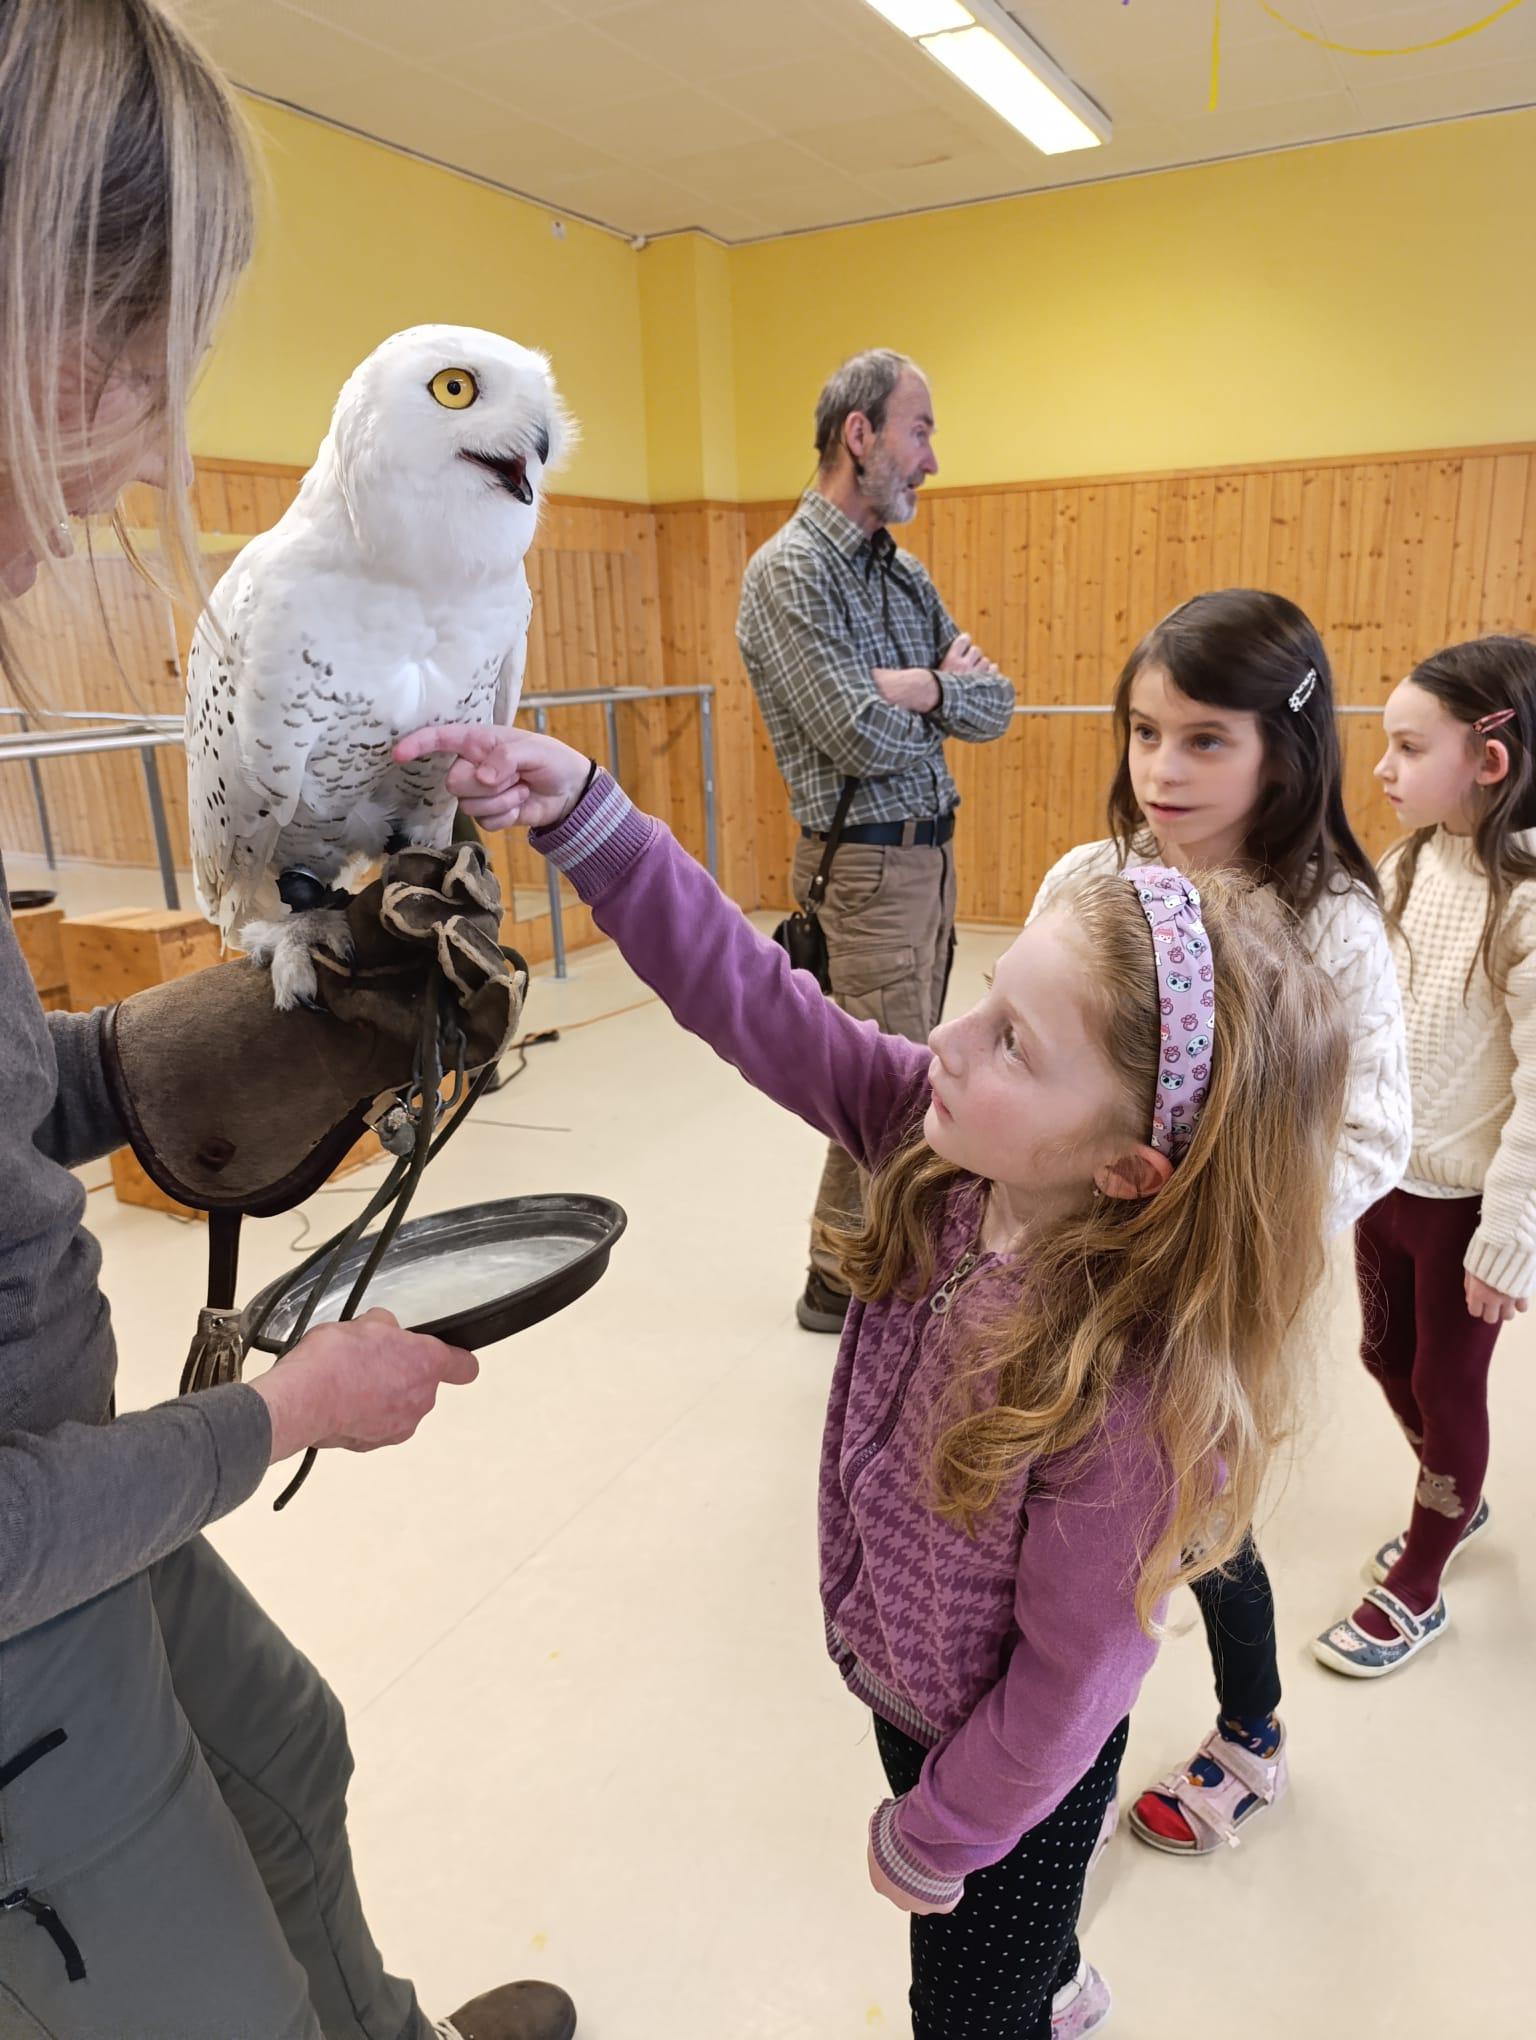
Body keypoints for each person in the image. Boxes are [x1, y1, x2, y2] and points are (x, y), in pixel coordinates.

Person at [394, 715, 1350, 2040]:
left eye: (1013, 1042)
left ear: (1129, 1169)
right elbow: (755, 999)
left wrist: (939, 1831)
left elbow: (1069, 1686)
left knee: (967, 2007)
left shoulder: (1131, 1397)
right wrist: (585, 818)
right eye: (988, 994)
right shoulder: (934, 1142)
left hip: (1007, 1764)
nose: (948, 1037)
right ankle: (1048, 1970)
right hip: (916, 1689)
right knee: (1012, 1944)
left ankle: (1033, 1990)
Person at [0, 6, 573, 2036]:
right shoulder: (272, 590)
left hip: (82, 1465)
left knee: (291, 1754)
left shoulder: (486, 590)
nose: (89, 506)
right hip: (33, 1577)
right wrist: (283, 1413)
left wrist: (185, 1052)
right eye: (136, 380)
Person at [1027, 590, 1410, 1856]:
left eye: (1205, 740)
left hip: (1216, 1293)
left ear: (1283, 753)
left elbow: (1372, 1135)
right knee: (1065, 1519)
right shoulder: (1092, 878)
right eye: (1145, 733)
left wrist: (1208, 1225)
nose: (1163, 769)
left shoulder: (1331, 920)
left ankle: (1253, 1731)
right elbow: (1025, 1049)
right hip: (1070, 1268)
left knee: (1200, 1519)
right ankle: (1058, 1756)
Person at [737, 347, 1015, 1334]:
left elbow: (998, 704)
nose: (932, 459)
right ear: (859, 435)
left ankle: (849, 1264)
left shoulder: (901, 574)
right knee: (891, 1089)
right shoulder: (790, 574)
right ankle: (851, 1280)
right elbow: (853, 732)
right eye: (920, 430)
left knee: (901, 1078)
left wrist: (922, 687)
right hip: (864, 865)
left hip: (927, 857)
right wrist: (937, 696)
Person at [1313, 635, 1536, 1677]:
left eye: (1408, 748)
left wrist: (1510, 1234)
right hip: (1384, 1180)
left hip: (1463, 1208)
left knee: (1448, 1388)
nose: (1382, 768)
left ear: (1488, 761)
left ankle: (1422, 1577)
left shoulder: (1526, 897)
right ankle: (1454, 1491)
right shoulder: (1407, 863)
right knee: (1382, 1355)